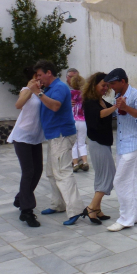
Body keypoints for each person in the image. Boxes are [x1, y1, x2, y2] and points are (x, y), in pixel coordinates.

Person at [28, 60, 84, 226]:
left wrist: (38, 93)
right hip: (54, 136)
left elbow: (55, 106)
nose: (38, 78)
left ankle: (76, 210)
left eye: (40, 75)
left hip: (61, 135)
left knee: (63, 172)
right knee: (52, 172)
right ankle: (58, 204)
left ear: (49, 73)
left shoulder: (59, 87)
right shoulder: (49, 88)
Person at [104, 68, 137, 232]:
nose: (111, 87)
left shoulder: (136, 95)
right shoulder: (117, 96)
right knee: (130, 181)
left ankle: (126, 219)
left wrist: (126, 107)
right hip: (123, 145)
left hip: (133, 145)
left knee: (121, 181)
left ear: (122, 81)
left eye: (113, 84)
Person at [8, 67, 46, 228]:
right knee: (28, 171)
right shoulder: (26, 90)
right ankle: (27, 210)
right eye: (37, 77)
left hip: (36, 138)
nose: (39, 80)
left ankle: (20, 198)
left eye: (40, 77)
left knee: (38, 170)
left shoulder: (42, 93)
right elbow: (18, 105)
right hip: (22, 137)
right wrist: (30, 89)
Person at [82, 72, 117, 225]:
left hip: (104, 142)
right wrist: (116, 106)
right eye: (103, 85)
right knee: (109, 175)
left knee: (102, 176)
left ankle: (97, 209)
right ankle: (91, 207)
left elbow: (108, 111)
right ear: (94, 85)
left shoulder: (101, 101)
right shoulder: (90, 102)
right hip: (97, 143)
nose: (105, 88)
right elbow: (100, 114)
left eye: (107, 86)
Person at [70, 74, 89, 173]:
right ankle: (85, 162)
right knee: (82, 143)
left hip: (72, 120)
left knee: (74, 144)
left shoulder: (70, 94)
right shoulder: (85, 95)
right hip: (83, 120)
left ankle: (75, 163)